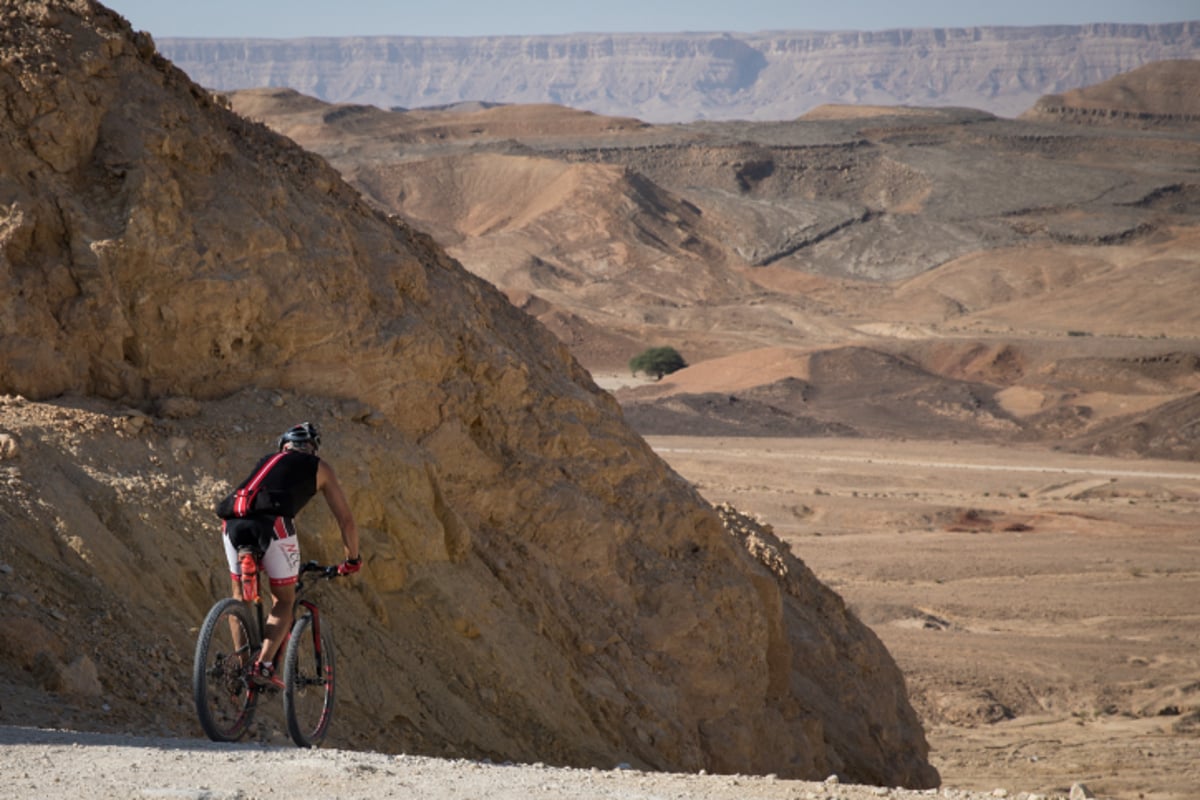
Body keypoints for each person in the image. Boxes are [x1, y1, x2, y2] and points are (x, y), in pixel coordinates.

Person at [216, 421, 360, 684]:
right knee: (283, 600)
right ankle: (263, 666)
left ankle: (239, 664)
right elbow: (346, 521)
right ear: (312, 448)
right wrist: (352, 559)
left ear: (284, 445)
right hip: (274, 524)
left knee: (240, 599)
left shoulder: (267, 459)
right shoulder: (319, 467)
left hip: (232, 522)